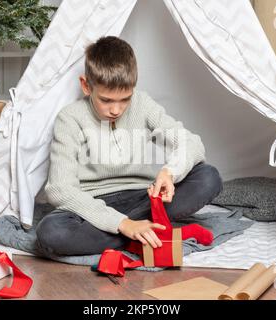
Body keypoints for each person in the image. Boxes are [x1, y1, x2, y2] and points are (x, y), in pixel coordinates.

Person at [35, 36, 223, 257]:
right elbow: (60, 189)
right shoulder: (69, 118)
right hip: (92, 204)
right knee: (51, 232)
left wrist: (169, 173)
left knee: (208, 177)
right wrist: (122, 223)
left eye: (125, 99)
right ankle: (142, 232)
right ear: (86, 86)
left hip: (143, 197)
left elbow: (191, 142)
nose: (116, 110)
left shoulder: (142, 104)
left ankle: (132, 233)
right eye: (106, 100)